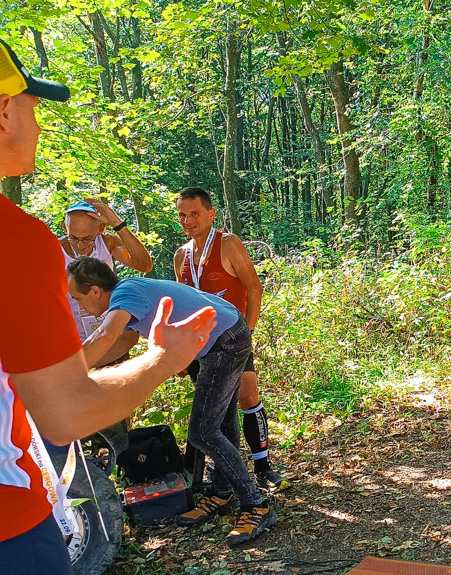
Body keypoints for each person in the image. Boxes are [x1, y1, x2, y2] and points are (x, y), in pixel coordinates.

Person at [0, 38, 216, 574]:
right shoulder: (19, 242)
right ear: (4, 111)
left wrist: (116, 223)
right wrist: (163, 358)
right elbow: (67, 408)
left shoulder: (107, 260)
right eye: (31, 106)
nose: (39, 124)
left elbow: (129, 286)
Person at [66, 257, 277, 545]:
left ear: (95, 291)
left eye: (78, 298)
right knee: (221, 424)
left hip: (225, 340)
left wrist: (65, 373)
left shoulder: (125, 294)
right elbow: (121, 342)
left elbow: (105, 336)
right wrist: (85, 369)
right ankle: (222, 490)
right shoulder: (129, 296)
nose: (79, 306)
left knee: (203, 432)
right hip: (222, 334)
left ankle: (255, 505)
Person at [173, 187, 287, 492]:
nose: (188, 220)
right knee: (216, 411)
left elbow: (254, 287)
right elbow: (182, 303)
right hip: (200, 345)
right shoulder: (181, 255)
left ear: (211, 214)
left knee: (248, 396)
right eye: (182, 215)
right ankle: (226, 475)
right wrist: (181, 352)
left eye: (195, 213)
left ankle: (263, 468)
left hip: (232, 339)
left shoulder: (228, 243)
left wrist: (247, 332)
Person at [59, 198, 153, 344]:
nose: (80, 246)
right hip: (72, 336)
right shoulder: (54, 251)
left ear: (100, 229)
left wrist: (118, 225)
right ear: (64, 227)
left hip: (108, 332)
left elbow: (144, 265)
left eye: (88, 239)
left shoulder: (108, 242)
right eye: (73, 238)